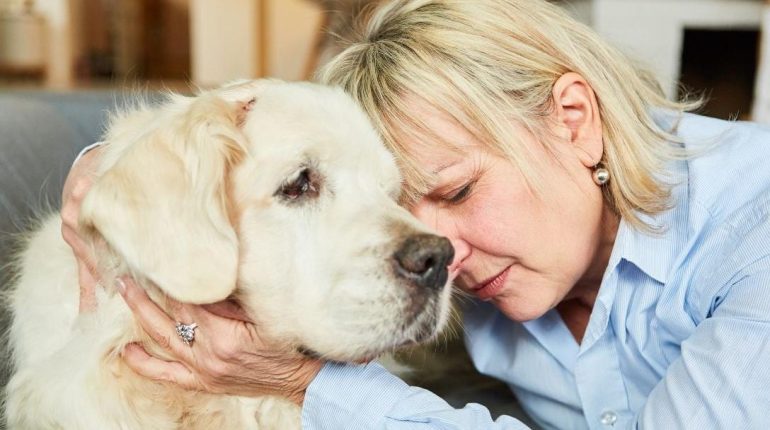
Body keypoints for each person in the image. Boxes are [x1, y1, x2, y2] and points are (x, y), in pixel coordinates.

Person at [62, 0, 770, 428]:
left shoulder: (755, 236)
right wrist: (118, 167)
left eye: (458, 192)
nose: (442, 254)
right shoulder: (517, 256)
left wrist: (310, 386)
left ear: (575, 121)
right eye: (403, 205)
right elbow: (289, 155)